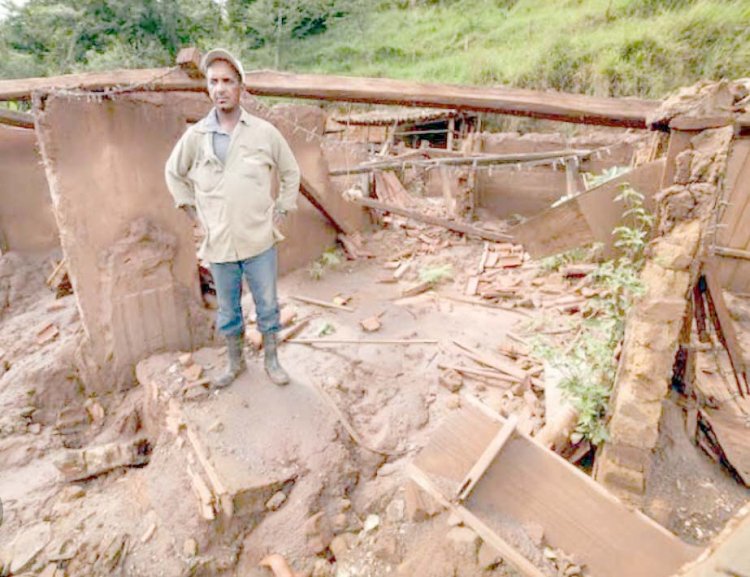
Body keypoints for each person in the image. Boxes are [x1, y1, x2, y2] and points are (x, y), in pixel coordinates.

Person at [165, 48, 300, 388]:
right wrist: (191, 211)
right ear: (207, 88)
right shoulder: (196, 136)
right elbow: (173, 173)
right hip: (219, 243)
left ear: (241, 87)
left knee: (267, 304)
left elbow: (290, 171)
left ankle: (271, 360)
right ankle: (235, 363)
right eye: (214, 82)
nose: (220, 88)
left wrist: (281, 210)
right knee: (228, 311)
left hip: (259, 240)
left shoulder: (263, 132)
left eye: (228, 81)